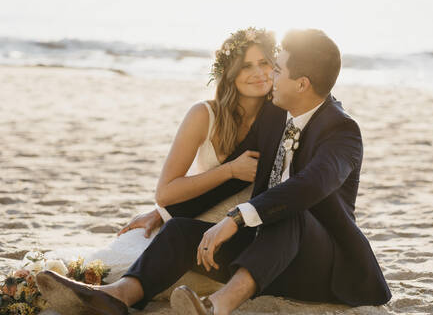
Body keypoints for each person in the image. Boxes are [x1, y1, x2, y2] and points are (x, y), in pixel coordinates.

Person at [36, 29, 392, 315]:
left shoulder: (341, 131)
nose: (271, 75)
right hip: (264, 258)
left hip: (321, 269)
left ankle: (216, 307)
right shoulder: (274, 116)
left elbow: (311, 185)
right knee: (179, 232)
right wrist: (162, 213)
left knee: (289, 212)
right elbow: (233, 174)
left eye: (278, 69)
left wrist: (236, 219)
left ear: (302, 83)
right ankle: (117, 296)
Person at [41, 27, 277, 291]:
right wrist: (230, 170)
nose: (258, 73)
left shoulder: (281, 118)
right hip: (184, 225)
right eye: (246, 66)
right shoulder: (203, 115)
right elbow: (165, 193)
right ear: (230, 73)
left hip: (233, 236)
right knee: (107, 269)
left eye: (264, 62)